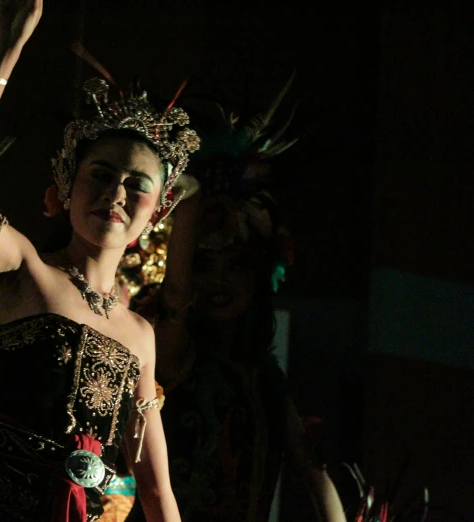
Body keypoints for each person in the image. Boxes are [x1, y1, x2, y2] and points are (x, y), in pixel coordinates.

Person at [0, 1, 201, 520]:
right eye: (100, 174)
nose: (116, 192)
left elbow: (158, 491)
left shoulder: (140, 335)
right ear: (67, 188)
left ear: (156, 213)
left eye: (137, 184)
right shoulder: (25, 269)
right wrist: (5, 51)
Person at [124, 81, 347, 522]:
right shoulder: (173, 357)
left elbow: (314, 473)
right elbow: (176, 298)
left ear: (261, 275)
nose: (219, 281)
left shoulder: (265, 379)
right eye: (205, 265)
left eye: (237, 265)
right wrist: (188, 206)